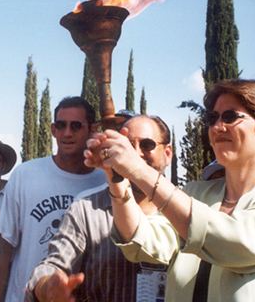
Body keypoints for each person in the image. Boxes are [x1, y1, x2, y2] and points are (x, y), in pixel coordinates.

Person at [85, 79, 255, 302]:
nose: (218, 127)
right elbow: (142, 240)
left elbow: (231, 241)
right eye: (213, 118)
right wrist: (116, 176)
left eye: (230, 117)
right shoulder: (196, 193)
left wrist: (137, 168)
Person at [24, 114, 172, 302]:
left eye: (147, 145)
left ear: (167, 154)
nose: (136, 154)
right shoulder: (86, 211)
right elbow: (54, 266)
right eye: (127, 145)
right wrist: (46, 287)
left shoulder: (183, 212)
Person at [0, 96, 107, 302]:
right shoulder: (25, 175)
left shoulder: (104, 182)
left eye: (76, 126)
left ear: (92, 130)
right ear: (53, 130)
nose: (67, 133)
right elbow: (4, 248)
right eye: (61, 125)